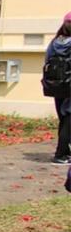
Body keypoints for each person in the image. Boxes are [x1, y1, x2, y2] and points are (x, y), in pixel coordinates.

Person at [43, 12, 71, 165]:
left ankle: (65, 152)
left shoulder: (55, 42)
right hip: (69, 84)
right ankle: (60, 154)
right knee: (68, 119)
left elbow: (47, 60)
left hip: (56, 85)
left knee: (63, 117)